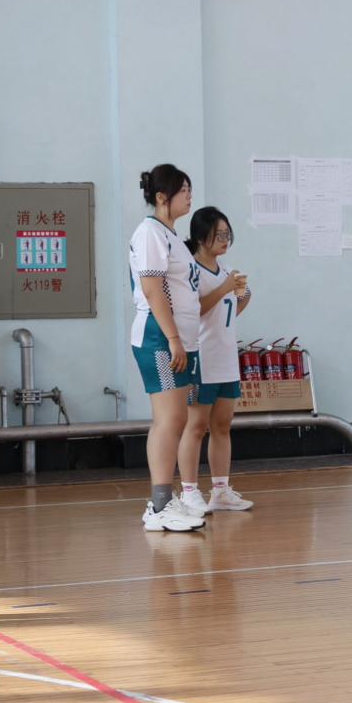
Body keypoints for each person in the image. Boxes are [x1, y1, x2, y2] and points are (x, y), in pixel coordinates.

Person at [131, 164, 206, 532]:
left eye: (190, 189)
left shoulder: (172, 235)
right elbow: (152, 289)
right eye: (183, 190)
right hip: (159, 338)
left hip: (180, 339)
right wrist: (174, 338)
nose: (189, 196)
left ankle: (166, 499)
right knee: (170, 419)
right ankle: (159, 505)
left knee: (178, 419)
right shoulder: (150, 233)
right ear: (162, 197)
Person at [176, 207, 255, 516]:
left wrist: (242, 295)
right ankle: (189, 492)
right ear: (200, 237)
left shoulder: (226, 269)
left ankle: (220, 491)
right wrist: (224, 289)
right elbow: (193, 310)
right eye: (218, 234)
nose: (225, 240)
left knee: (222, 426)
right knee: (196, 426)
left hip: (225, 359)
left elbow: (227, 312)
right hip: (201, 359)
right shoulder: (190, 270)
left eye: (227, 234)